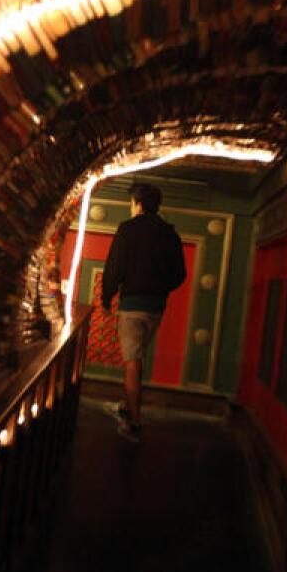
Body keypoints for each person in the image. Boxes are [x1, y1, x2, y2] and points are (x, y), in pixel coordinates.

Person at [100, 182, 187, 442]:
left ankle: (135, 421)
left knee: (132, 361)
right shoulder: (169, 233)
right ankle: (127, 406)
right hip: (156, 307)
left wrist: (107, 297)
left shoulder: (128, 230)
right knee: (138, 357)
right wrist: (161, 289)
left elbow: (115, 265)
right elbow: (180, 273)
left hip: (132, 306)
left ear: (137, 204)